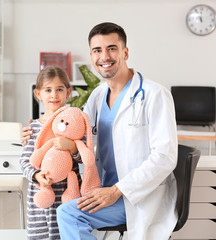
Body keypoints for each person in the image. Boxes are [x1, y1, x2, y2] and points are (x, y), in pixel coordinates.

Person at [22, 22, 178, 240]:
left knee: (69, 214)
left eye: (112, 48)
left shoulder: (154, 95)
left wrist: (117, 190)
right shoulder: (97, 96)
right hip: (102, 190)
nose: (104, 56)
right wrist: (38, 130)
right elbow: (75, 136)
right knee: (68, 212)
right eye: (97, 50)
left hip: (138, 196)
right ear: (92, 56)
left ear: (125, 52)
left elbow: (164, 157)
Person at [20, 66, 83, 240]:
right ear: (38, 94)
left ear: (68, 92)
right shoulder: (33, 128)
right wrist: (37, 176)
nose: (54, 95)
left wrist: (71, 147)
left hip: (67, 195)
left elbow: (83, 157)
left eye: (59, 89)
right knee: (40, 235)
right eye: (48, 90)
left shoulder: (75, 128)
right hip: (41, 194)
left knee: (67, 233)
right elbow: (25, 162)